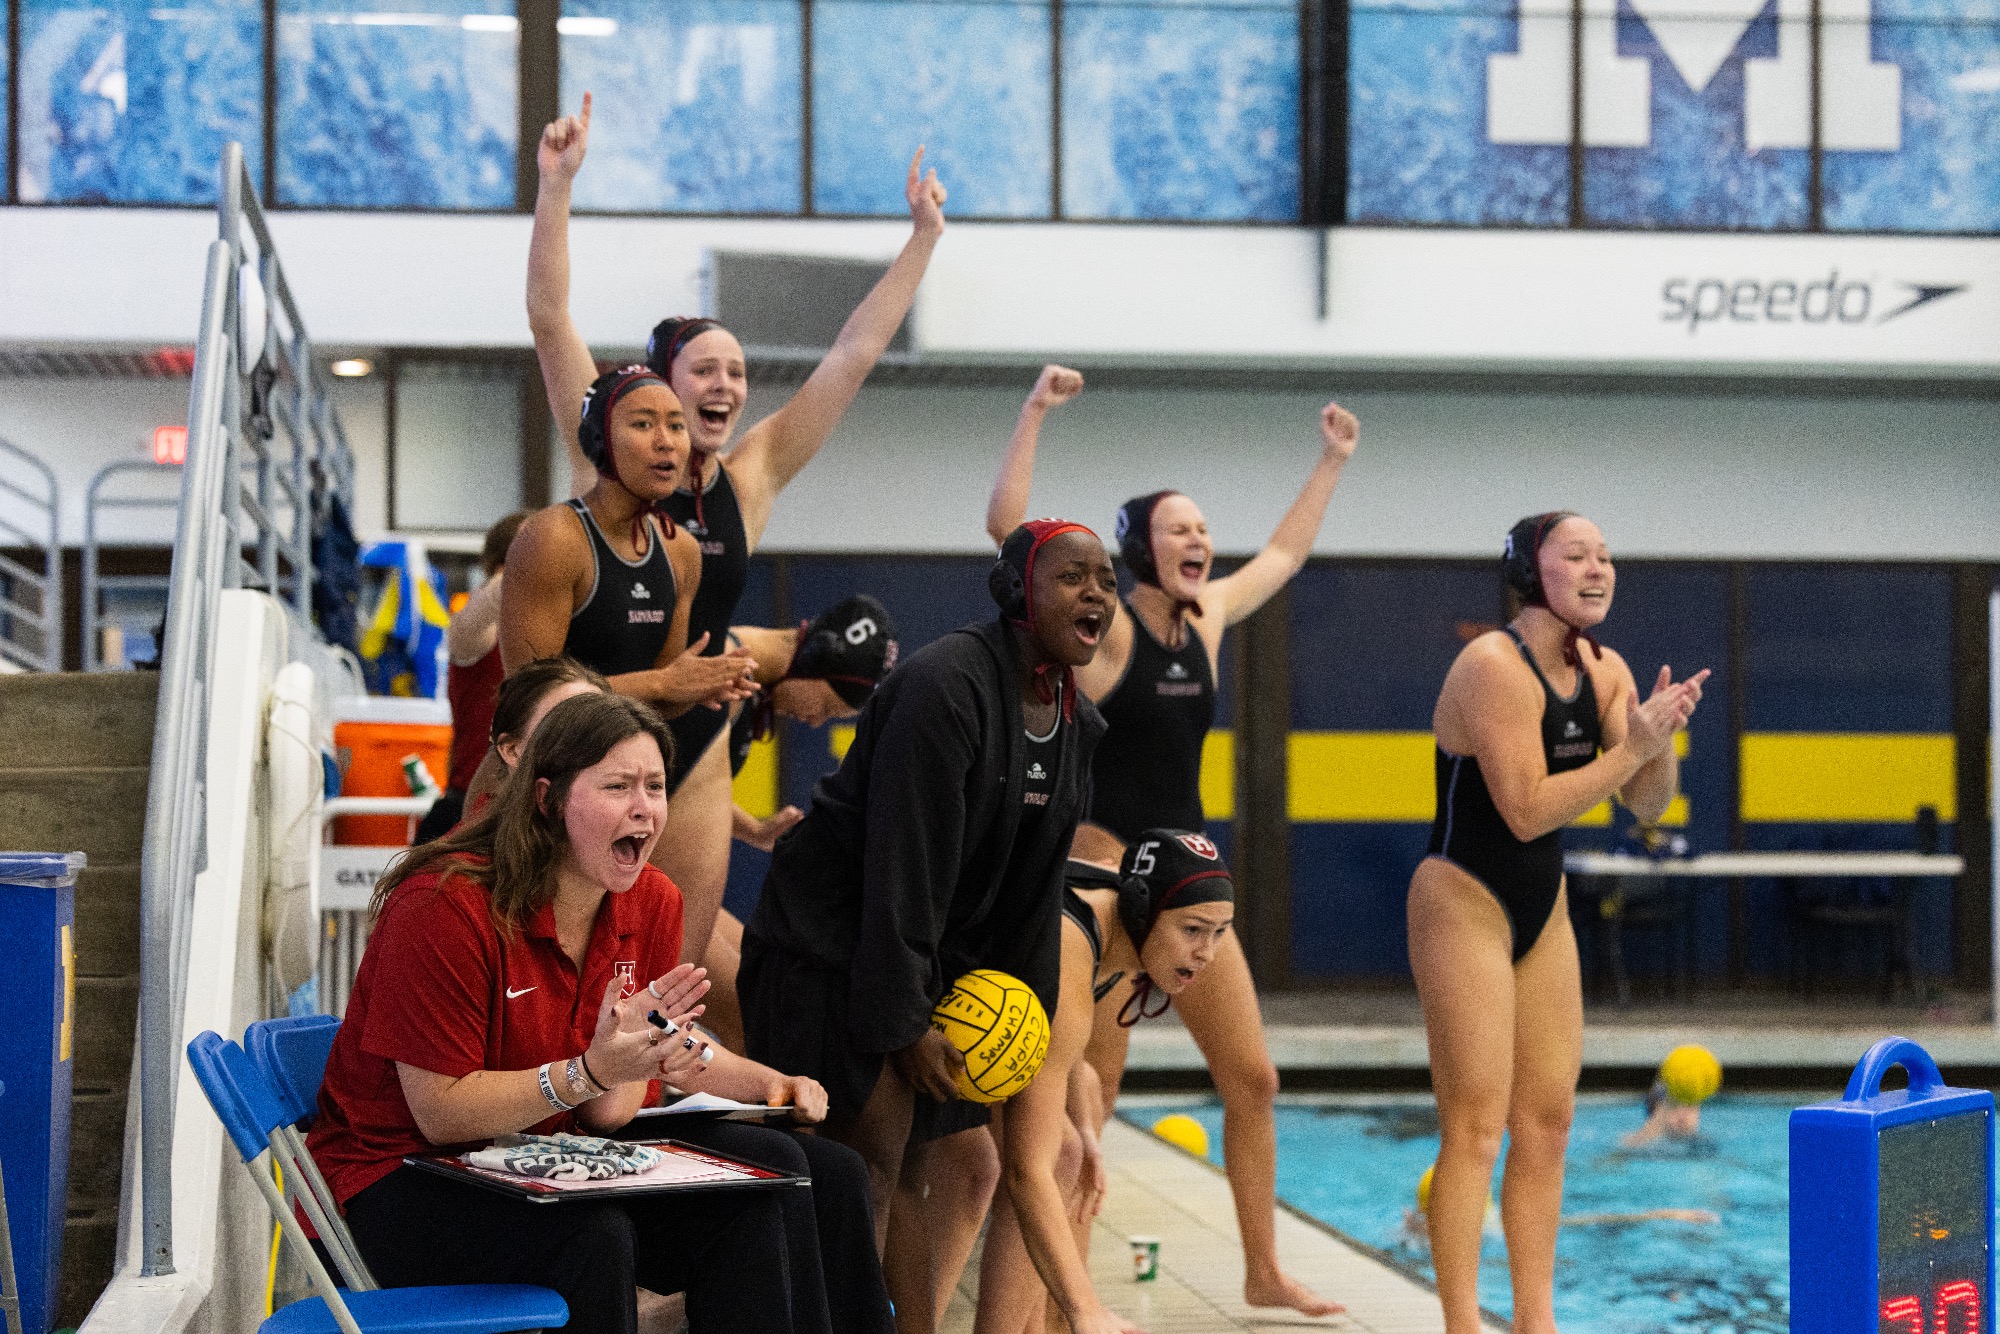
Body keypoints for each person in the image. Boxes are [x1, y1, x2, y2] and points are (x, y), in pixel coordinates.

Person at [306, 691, 890, 1334]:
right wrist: (589, 1072)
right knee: (596, 1234)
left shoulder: (652, 901)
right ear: (548, 800)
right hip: (395, 1175)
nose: (644, 807)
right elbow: (442, 1114)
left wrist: (764, 1083)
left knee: (779, 1185)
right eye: (617, 786)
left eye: (656, 786)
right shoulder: (442, 907)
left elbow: (613, 1106)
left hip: (547, 1147)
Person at [528, 92, 947, 977]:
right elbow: (551, 319)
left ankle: (666, 1113)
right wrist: (557, 187)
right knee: (574, 963)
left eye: (738, 373)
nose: (724, 385)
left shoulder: (749, 474)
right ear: (657, 389)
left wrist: (923, 242)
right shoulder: (600, 445)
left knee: (671, 977)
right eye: (703, 370)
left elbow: (852, 355)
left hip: (697, 744)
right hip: (587, 730)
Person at [984, 365, 1361, 1318]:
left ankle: (1263, 1269)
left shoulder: (1210, 618)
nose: (1198, 540)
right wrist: (1032, 414)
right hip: (1109, 884)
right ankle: (1054, 1300)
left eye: (1202, 529)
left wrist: (1332, 460)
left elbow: (1282, 556)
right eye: (1178, 530)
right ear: (1138, 551)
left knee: (1254, 1078)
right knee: (1088, 1102)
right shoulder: (1108, 636)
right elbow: (1007, 532)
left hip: (1187, 888)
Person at [739, 522, 1114, 1333]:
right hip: (823, 944)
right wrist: (906, 1023)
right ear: (1016, 589)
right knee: (862, 1168)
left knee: (913, 1168)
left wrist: (1026, 1029)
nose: (1096, 595)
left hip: (913, 953)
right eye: (1073, 577)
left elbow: (1031, 893)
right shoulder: (947, 686)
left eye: (1106, 582)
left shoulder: (1075, 725)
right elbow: (900, 867)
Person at [1408, 511, 1708, 1334]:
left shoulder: (1608, 672)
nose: (1598, 567)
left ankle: (1535, 1323)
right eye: (1576, 554)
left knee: (1548, 1123)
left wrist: (1658, 738)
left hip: (1542, 907)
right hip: (1461, 895)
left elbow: (1646, 803)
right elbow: (1528, 810)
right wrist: (1630, 747)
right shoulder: (1490, 666)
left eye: (1606, 555)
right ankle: (1462, 1325)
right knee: (1474, 1125)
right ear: (1528, 571)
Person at [976, 831, 1237, 1334]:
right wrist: (1086, 1308)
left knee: (1080, 1122)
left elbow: (1063, 1051)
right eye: (1193, 929)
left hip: (971, 1024)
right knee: (1026, 1161)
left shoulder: (1118, 934)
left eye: (1220, 932)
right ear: (1143, 909)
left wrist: (1090, 1132)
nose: (1207, 952)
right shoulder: (1072, 938)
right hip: (898, 1016)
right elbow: (1028, 1168)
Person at [499, 363, 760, 797]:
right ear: (601, 442)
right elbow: (530, 703)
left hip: (609, 788)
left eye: (676, 426)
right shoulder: (554, 538)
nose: (666, 441)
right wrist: (665, 682)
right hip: (529, 793)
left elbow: (659, 699)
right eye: (643, 424)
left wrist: (697, 684)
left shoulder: (681, 552)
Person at [706, 595, 901, 1051]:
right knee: (750, 1015)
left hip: (669, 882)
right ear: (816, 659)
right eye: (828, 709)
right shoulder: (728, 673)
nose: (816, 723)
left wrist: (751, 829)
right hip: (641, 888)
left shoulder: (749, 684)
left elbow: (686, 792)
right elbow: (657, 794)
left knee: (766, 995)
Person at [418, 509, 531, 842]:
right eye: (534, 547)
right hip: (471, 807)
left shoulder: (550, 628)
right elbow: (464, 630)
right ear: (502, 563)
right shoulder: (478, 627)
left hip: (526, 807)